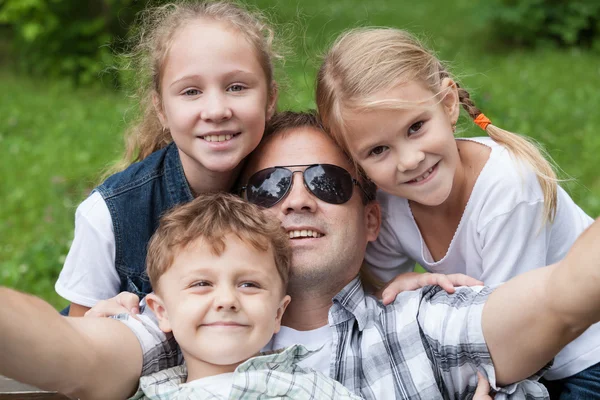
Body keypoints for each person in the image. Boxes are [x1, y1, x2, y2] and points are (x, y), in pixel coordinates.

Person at [4, 111, 600, 400]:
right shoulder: (193, 326)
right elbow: (64, 352)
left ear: (371, 219)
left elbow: (564, 298)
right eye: (268, 186)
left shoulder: (422, 324)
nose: (296, 200)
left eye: (326, 181)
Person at [315, 27, 599, 397]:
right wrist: (396, 294)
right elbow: (371, 307)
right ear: (356, 162)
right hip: (508, 349)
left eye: (416, 127)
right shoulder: (387, 204)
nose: (410, 160)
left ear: (448, 104)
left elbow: (514, 329)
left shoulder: (507, 189)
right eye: (378, 150)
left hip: (583, 357)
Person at [55, 0, 279, 316]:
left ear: (269, 99)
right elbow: (76, 340)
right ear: (161, 108)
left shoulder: (295, 185)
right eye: (191, 92)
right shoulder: (113, 214)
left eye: (236, 87)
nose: (216, 110)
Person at [124, 192, 360, 399]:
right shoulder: (150, 392)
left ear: (278, 313)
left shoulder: (312, 390)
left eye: (249, 284)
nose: (227, 301)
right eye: (202, 283)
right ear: (162, 312)